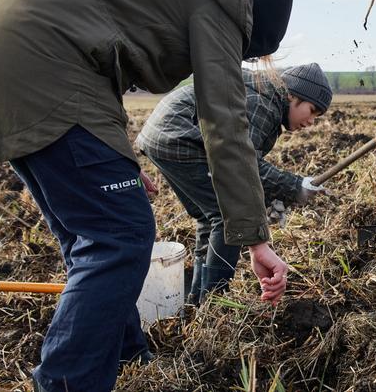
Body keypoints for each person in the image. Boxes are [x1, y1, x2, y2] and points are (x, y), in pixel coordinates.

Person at [0, 0, 293, 391]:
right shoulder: (223, 4)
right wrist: (256, 239)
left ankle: (129, 357)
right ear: (253, 19)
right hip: (45, 63)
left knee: (91, 238)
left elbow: (104, 53)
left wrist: (114, 156)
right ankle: (66, 384)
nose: (240, 56)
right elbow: (226, 126)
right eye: (246, 51)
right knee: (119, 236)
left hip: (2, 52)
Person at [136, 63, 332, 304]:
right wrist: (294, 185)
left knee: (209, 217)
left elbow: (244, 166)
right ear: (292, 95)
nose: (312, 121)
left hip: (163, 134)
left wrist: (272, 198)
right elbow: (241, 165)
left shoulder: (265, 96)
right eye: (312, 110)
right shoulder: (262, 103)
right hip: (180, 136)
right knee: (225, 215)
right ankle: (214, 301)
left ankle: (199, 300)